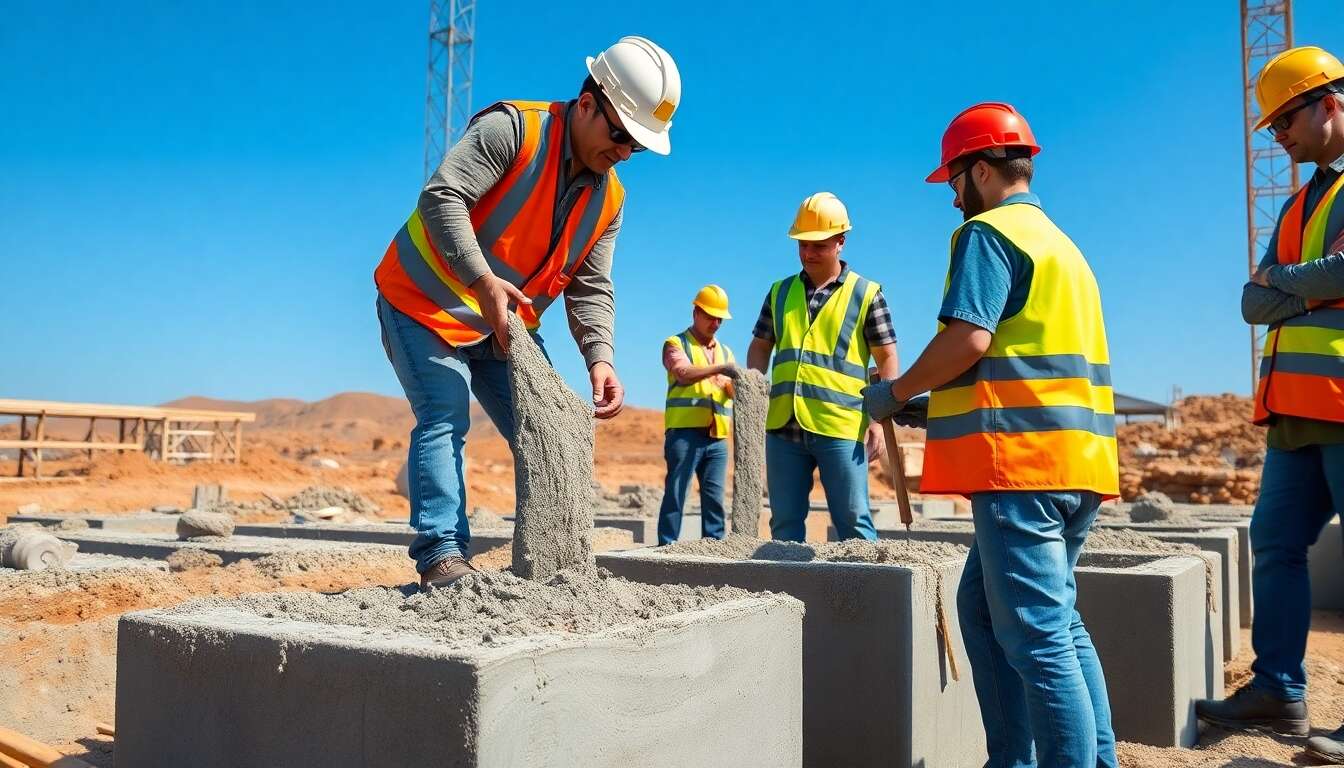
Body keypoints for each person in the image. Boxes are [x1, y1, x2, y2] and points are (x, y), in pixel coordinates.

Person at [372, 36, 681, 590]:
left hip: (500, 324)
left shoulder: (609, 199)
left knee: (548, 425)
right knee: (444, 410)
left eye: (637, 145)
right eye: (621, 134)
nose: (625, 151)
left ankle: (551, 561)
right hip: (422, 299)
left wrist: (600, 358)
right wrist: (482, 280)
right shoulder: (513, 130)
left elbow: (591, 285)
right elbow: (441, 198)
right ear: (588, 103)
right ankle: (442, 556)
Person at [864, 103, 1118, 767]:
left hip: (1022, 471)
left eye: (953, 181)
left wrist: (894, 392)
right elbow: (1019, 361)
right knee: (1004, 615)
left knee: (1038, 637)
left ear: (980, 170)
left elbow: (968, 338)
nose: (951, 196)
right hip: (1075, 465)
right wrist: (932, 401)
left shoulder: (987, 235)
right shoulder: (1062, 247)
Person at [1195, 46, 1344, 764]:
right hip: (1291, 413)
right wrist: (1305, 282)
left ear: (1330, 103)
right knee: (1276, 546)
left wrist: (1294, 280)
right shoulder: (1295, 203)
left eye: (1284, 119)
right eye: (1271, 127)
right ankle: (1278, 690)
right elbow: (1254, 300)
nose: (1276, 136)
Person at [746, 192, 898, 542]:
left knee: (854, 523)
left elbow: (887, 357)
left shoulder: (866, 294)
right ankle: (788, 594)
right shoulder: (779, 292)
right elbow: (759, 348)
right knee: (783, 526)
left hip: (840, 425)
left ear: (840, 242)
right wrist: (756, 392)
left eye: (818, 245)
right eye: (802, 245)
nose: (808, 253)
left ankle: (867, 595)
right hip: (784, 424)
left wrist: (878, 418)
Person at [658, 285, 738, 544]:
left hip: (717, 438)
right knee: (677, 493)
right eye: (710, 316)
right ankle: (665, 547)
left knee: (715, 500)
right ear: (696, 312)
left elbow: (732, 390)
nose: (715, 323)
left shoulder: (726, 353)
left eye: (719, 318)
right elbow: (683, 373)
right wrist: (721, 369)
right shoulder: (676, 344)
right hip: (684, 434)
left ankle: (713, 550)